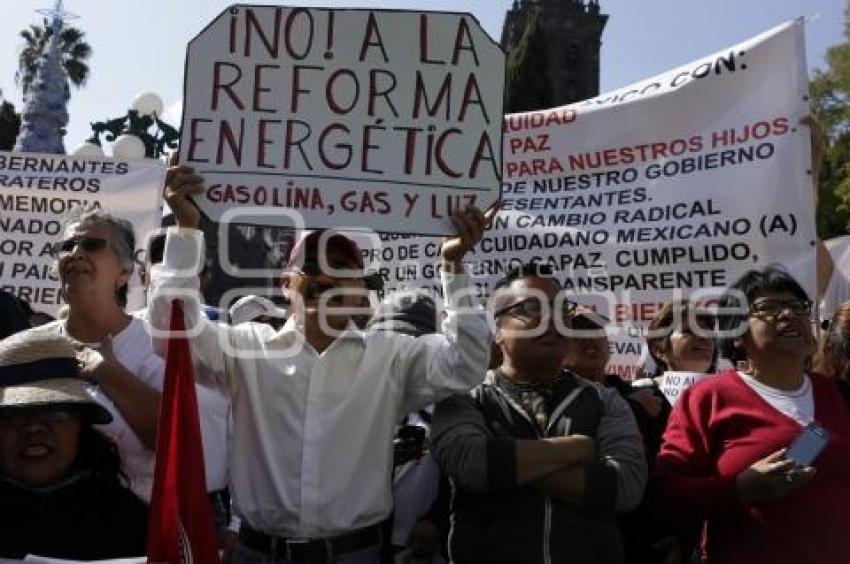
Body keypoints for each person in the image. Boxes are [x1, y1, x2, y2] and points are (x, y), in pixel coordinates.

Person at [149, 161, 492, 563]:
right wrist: (186, 229)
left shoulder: (391, 356)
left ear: (362, 291)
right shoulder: (247, 350)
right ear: (286, 284)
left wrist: (453, 267)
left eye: (342, 269)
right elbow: (170, 335)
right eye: (311, 267)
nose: (326, 278)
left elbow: (467, 363)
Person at [431, 262, 646, 564]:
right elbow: (472, 463)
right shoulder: (466, 398)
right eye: (532, 309)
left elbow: (624, 487)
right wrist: (578, 448)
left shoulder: (605, 401)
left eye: (561, 309)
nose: (552, 320)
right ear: (497, 331)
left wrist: (506, 460)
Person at [655, 266, 850, 563]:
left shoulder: (839, 395)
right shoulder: (708, 398)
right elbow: (666, 494)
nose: (788, 315)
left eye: (797, 306)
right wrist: (739, 489)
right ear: (736, 334)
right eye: (769, 308)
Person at [44, 205, 162, 501]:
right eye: (66, 246)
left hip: (135, 534)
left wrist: (110, 374)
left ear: (124, 272)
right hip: (43, 535)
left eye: (92, 245)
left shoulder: (159, 347)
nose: (75, 253)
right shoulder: (29, 347)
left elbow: (174, 443)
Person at [0, 329, 148, 559]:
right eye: (13, 414)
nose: (33, 427)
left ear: (82, 425)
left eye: (54, 413)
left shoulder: (131, 521)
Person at [367, 291, 450, 563]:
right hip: (365, 544)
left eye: (416, 342)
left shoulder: (453, 401)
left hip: (424, 546)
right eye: (392, 340)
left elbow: (463, 472)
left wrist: (437, 520)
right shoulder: (358, 397)